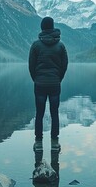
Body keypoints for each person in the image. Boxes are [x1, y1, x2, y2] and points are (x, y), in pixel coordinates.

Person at [29, 16, 68, 152]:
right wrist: (58, 78)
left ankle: (38, 143)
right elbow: (64, 65)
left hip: (39, 84)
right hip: (55, 84)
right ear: (52, 27)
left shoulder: (35, 45)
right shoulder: (61, 45)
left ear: (42, 27)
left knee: (39, 113)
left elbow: (31, 66)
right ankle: (55, 143)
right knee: (54, 113)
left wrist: (36, 79)